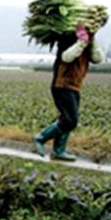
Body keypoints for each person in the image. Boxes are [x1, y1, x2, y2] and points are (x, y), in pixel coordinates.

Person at [33, 22, 104, 161]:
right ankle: (41, 138)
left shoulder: (88, 41)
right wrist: (81, 43)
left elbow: (97, 58)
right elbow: (66, 57)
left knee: (66, 119)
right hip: (62, 85)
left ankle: (59, 151)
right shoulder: (66, 39)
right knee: (70, 120)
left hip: (75, 86)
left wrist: (92, 40)